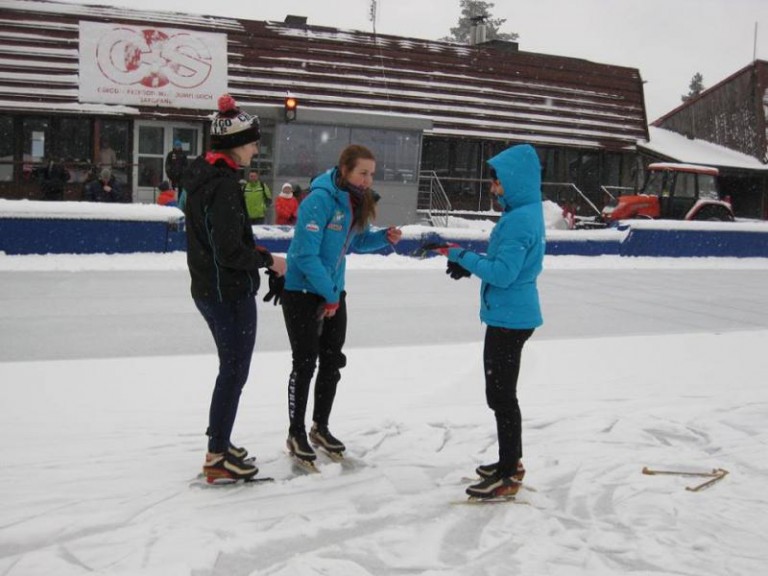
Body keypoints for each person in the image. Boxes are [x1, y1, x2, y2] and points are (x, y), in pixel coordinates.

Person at [183, 93, 287, 483]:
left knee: (231, 370)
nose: (256, 150)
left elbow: (219, 243)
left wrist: (257, 256)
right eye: (253, 143)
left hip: (210, 288)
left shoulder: (205, 176)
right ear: (235, 143)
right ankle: (217, 456)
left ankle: (221, 443)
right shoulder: (223, 185)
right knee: (233, 371)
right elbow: (229, 251)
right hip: (227, 293)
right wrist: (269, 261)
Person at [433, 144, 544, 500]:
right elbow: (506, 266)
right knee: (501, 395)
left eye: (497, 182)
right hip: (511, 313)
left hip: (510, 317)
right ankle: (510, 462)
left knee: (501, 396)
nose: (493, 189)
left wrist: (461, 256)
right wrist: (467, 265)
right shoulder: (524, 213)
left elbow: (503, 274)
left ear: (515, 181)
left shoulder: (519, 221)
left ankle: (508, 472)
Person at [281, 144, 402, 467]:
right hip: (302, 292)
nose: (368, 180)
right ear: (345, 170)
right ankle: (296, 433)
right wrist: (329, 294)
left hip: (333, 290)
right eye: (362, 173)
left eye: (371, 174)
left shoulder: (353, 200)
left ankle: (320, 427)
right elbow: (304, 255)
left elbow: (357, 240)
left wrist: (383, 238)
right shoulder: (319, 200)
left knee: (331, 362)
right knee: (305, 363)